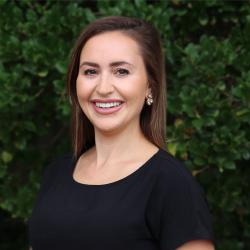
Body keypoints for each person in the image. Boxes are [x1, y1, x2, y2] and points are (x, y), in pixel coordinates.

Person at [28, 16, 215, 250]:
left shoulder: (171, 184)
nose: (103, 88)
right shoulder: (57, 173)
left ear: (150, 86)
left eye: (121, 71)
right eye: (90, 72)